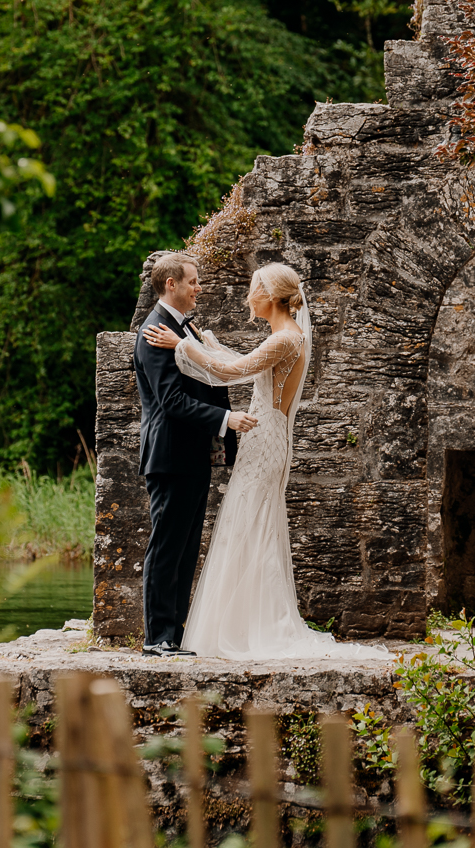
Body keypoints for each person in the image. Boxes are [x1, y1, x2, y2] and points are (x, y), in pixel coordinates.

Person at [142, 262, 378, 661]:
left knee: (250, 525)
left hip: (262, 437)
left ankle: (248, 625)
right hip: (261, 436)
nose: (247, 296)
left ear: (269, 296)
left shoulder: (285, 339)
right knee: (246, 524)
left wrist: (183, 345)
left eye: (253, 288)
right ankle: (218, 627)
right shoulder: (286, 337)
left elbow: (234, 370)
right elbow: (247, 365)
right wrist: (206, 344)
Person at [131, 253, 258, 657]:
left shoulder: (182, 330)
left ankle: (175, 634)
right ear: (171, 284)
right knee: (167, 546)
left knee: (186, 549)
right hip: (169, 455)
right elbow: (170, 401)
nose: (198, 288)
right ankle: (157, 638)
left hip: (192, 454)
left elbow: (207, 375)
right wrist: (226, 418)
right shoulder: (154, 332)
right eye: (193, 282)